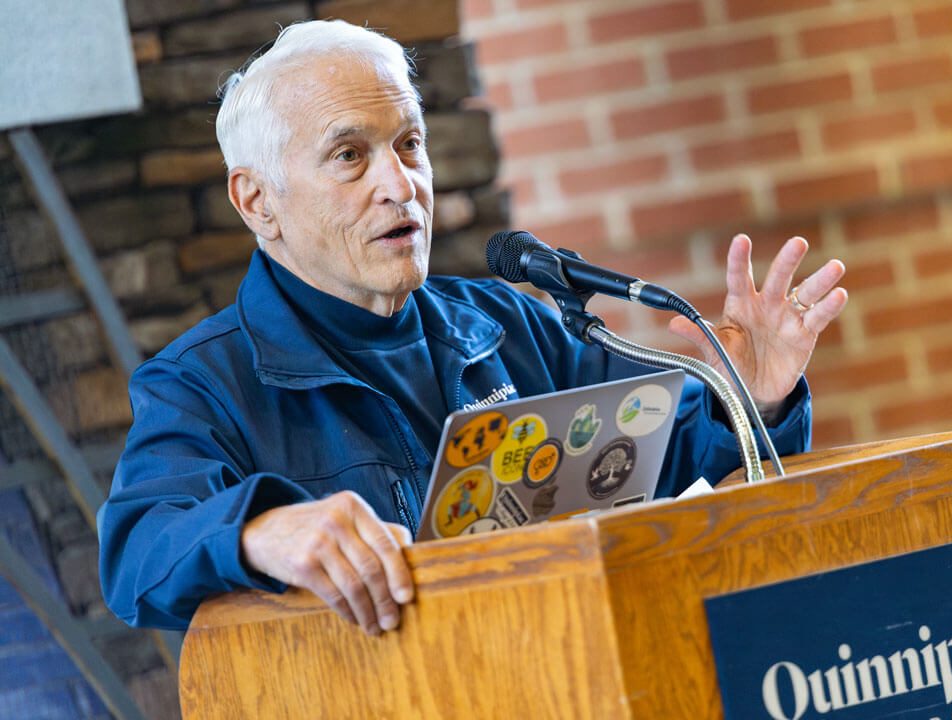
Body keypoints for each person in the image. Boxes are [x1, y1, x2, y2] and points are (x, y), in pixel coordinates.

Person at [98, 20, 848, 636]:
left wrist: (752, 398)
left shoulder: (510, 324)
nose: (400, 185)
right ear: (257, 201)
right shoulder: (201, 386)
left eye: (409, 144)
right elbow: (136, 552)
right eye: (350, 156)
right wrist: (260, 530)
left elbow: (674, 465)